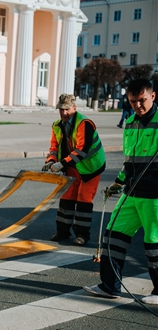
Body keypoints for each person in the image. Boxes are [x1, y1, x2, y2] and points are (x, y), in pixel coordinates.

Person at [84, 79, 158, 305]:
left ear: (153, 96)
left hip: (154, 195)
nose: (138, 105)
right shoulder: (131, 122)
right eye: (133, 101)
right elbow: (129, 161)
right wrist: (118, 182)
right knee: (112, 237)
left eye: (142, 100)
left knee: (153, 244)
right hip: (131, 193)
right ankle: (110, 286)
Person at [42, 93, 106, 246]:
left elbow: (81, 150)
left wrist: (61, 164)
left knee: (84, 200)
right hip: (72, 166)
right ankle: (62, 231)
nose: (63, 113)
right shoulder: (57, 125)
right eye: (61, 110)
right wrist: (50, 161)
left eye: (66, 109)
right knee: (66, 198)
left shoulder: (85, 123)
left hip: (90, 167)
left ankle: (82, 235)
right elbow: (54, 147)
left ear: (74, 108)